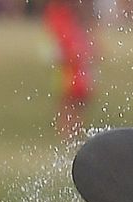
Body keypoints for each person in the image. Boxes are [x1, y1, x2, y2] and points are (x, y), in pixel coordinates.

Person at [44, 0, 96, 141]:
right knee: (69, 101)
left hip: (78, 69)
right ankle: (67, 133)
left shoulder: (74, 25)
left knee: (77, 102)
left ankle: (73, 132)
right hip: (70, 70)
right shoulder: (61, 20)